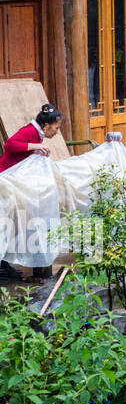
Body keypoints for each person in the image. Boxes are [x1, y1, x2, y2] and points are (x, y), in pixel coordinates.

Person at [0, 104, 61, 281]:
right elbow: (10, 145)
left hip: (12, 183)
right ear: (46, 125)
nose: (56, 132)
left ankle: (4, 264)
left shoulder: (37, 135)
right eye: (56, 128)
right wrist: (34, 145)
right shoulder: (30, 132)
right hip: (4, 180)